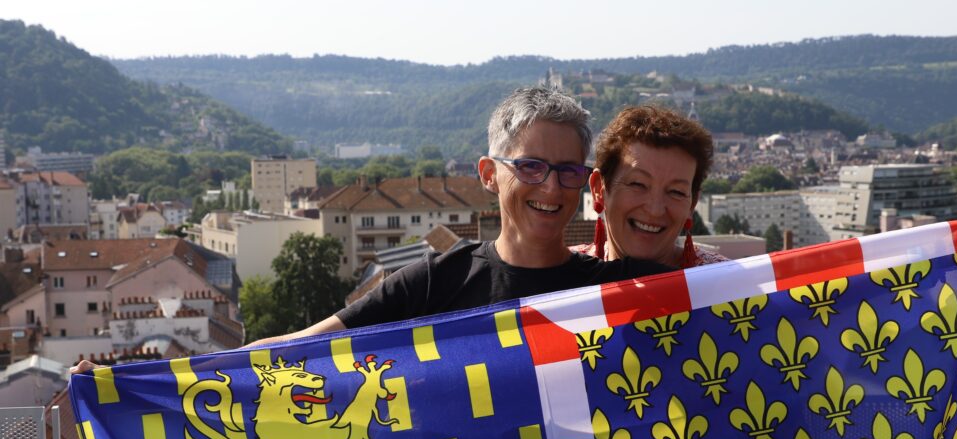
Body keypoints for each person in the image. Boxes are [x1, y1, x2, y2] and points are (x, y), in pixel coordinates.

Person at [69, 87, 670, 373]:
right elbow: (293, 348)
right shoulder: (435, 283)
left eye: (568, 170)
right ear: (489, 175)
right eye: (531, 167)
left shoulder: (619, 290)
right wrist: (129, 379)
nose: (551, 187)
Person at [573, 105, 726, 269]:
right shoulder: (557, 283)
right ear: (599, 189)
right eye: (638, 184)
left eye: (676, 192)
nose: (655, 210)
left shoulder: (728, 286)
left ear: (692, 204)